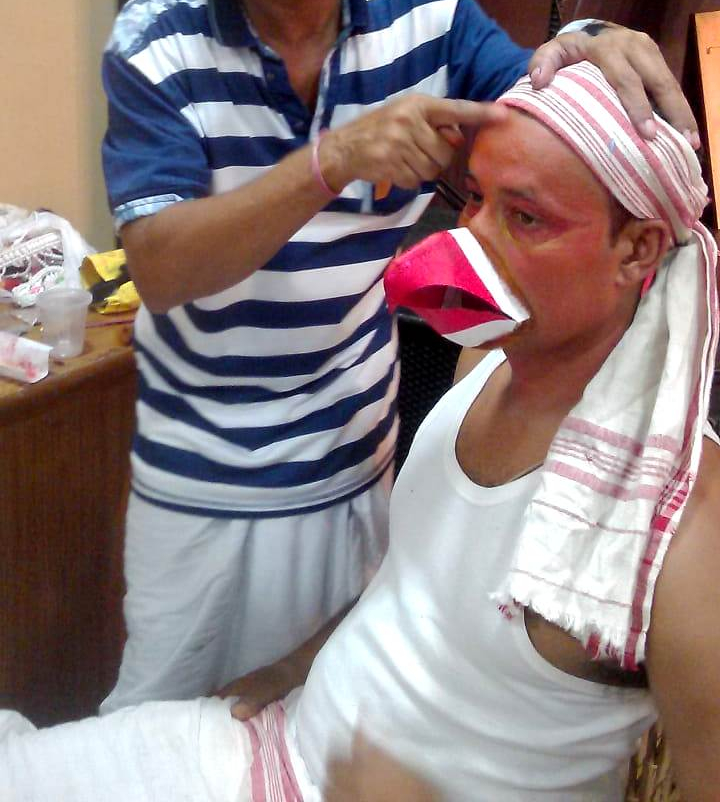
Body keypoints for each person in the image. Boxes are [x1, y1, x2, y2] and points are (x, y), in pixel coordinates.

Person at [100, 0, 702, 711]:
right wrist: (332, 160)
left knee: (326, 712)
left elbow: (544, 113)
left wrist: (588, 38)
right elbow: (159, 268)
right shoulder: (156, 43)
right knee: (168, 724)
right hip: (206, 485)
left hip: (358, 461)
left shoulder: (426, 10)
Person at [4, 63, 716, 800]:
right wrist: (298, 665)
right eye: (473, 200)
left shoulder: (682, 533)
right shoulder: (478, 363)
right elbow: (417, 576)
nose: (472, 240)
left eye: (524, 217)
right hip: (274, 747)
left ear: (637, 249)